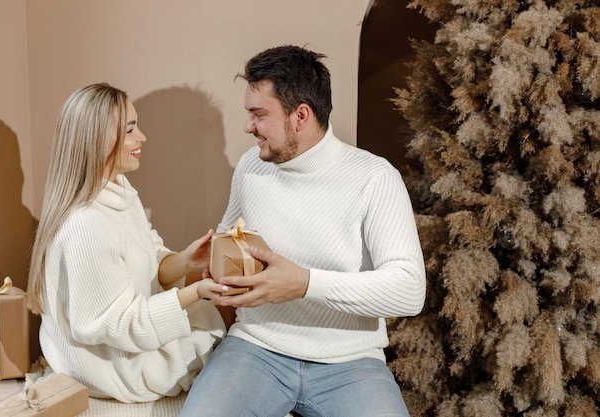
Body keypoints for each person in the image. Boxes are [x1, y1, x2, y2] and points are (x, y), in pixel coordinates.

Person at [179, 46, 426, 417]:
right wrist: (219, 270)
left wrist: (305, 283)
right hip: (255, 349)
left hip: (351, 362)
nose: (248, 127)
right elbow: (231, 243)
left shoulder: (375, 179)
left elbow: (409, 290)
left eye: (258, 115)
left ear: (301, 116)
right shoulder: (251, 166)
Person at [26, 83, 228, 403]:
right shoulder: (86, 226)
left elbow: (147, 257)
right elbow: (120, 324)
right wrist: (196, 291)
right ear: (97, 140)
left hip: (125, 344)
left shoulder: (118, 191)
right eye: (130, 129)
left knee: (216, 320)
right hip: (115, 370)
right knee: (222, 328)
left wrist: (187, 260)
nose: (142, 137)